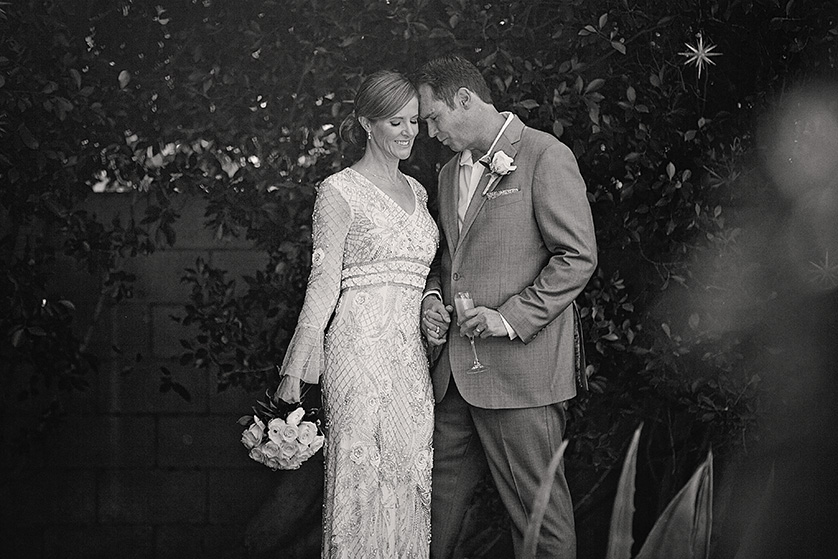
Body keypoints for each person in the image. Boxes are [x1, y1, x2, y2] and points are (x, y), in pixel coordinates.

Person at [414, 55, 598, 558]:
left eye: (433, 117)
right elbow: (450, 259)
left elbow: (577, 257)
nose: (429, 132)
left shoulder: (544, 155)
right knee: (426, 517)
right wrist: (433, 296)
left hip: (522, 376)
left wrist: (510, 317)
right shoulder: (450, 172)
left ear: (466, 100)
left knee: (540, 523)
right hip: (454, 378)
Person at [275, 70, 438, 559]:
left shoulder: (421, 193)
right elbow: (322, 282)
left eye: (414, 121)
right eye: (396, 122)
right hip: (358, 352)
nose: (409, 131)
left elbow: (427, 271)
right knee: (361, 480)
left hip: (411, 362)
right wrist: (296, 368)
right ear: (367, 124)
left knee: (411, 477)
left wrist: (431, 299)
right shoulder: (338, 190)